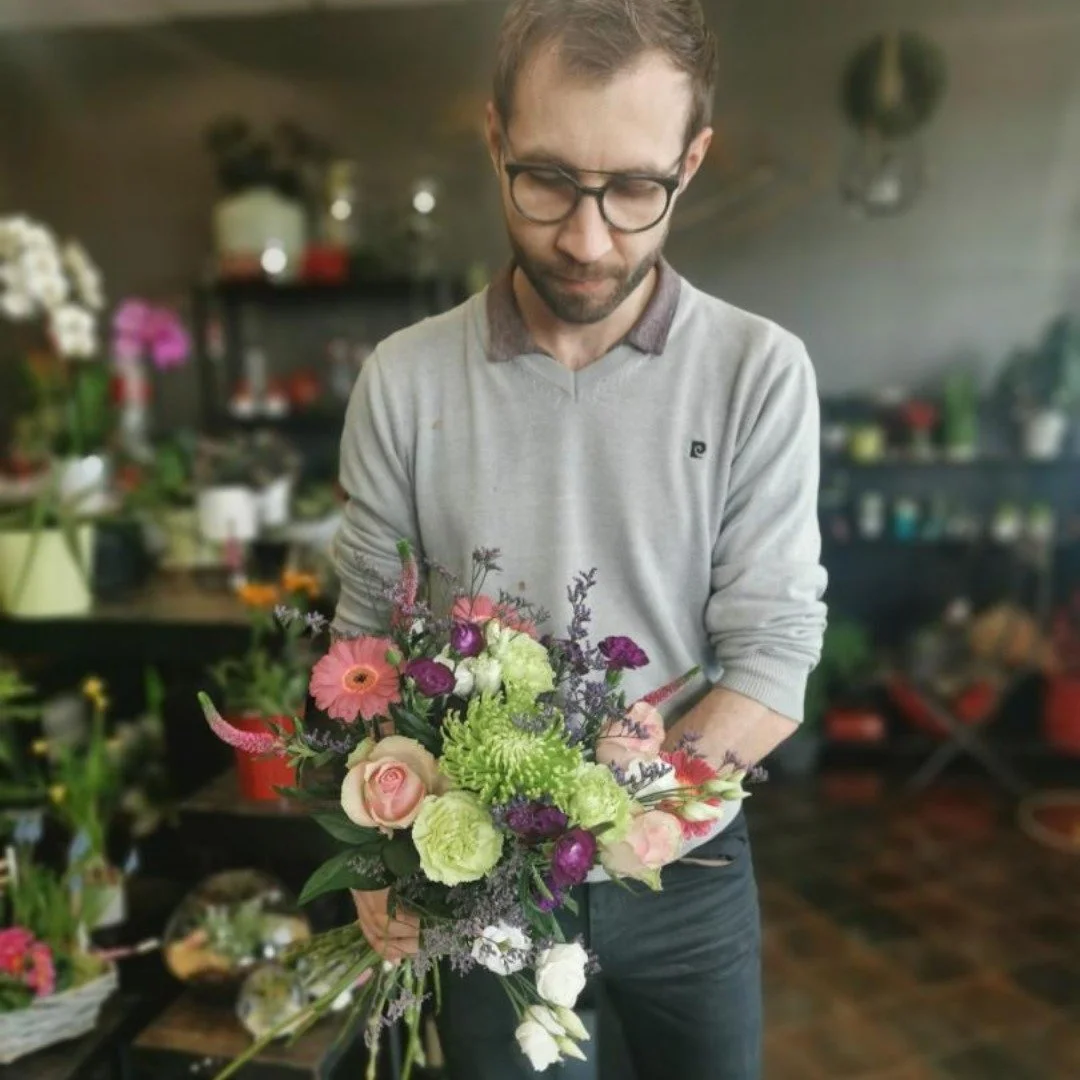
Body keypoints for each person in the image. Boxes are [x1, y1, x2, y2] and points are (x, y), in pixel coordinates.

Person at [331, 0, 828, 1076]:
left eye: (636, 188)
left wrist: (617, 814)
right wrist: (376, 837)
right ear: (497, 139)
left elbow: (776, 654)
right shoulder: (404, 382)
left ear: (692, 161)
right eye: (548, 177)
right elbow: (362, 640)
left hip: (688, 877)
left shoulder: (759, 372)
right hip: (478, 880)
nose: (588, 237)